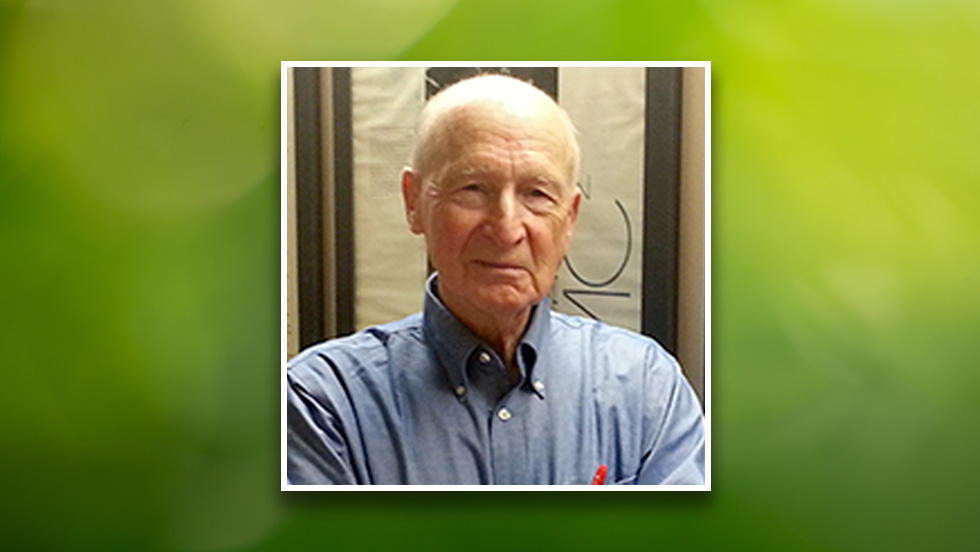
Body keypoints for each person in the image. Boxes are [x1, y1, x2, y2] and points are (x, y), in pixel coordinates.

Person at [287, 74, 704, 485]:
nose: (506, 228)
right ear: (413, 201)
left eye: (537, 194)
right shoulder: (322, 404)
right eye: (472, 188)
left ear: (571, 217)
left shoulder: (646, 388)